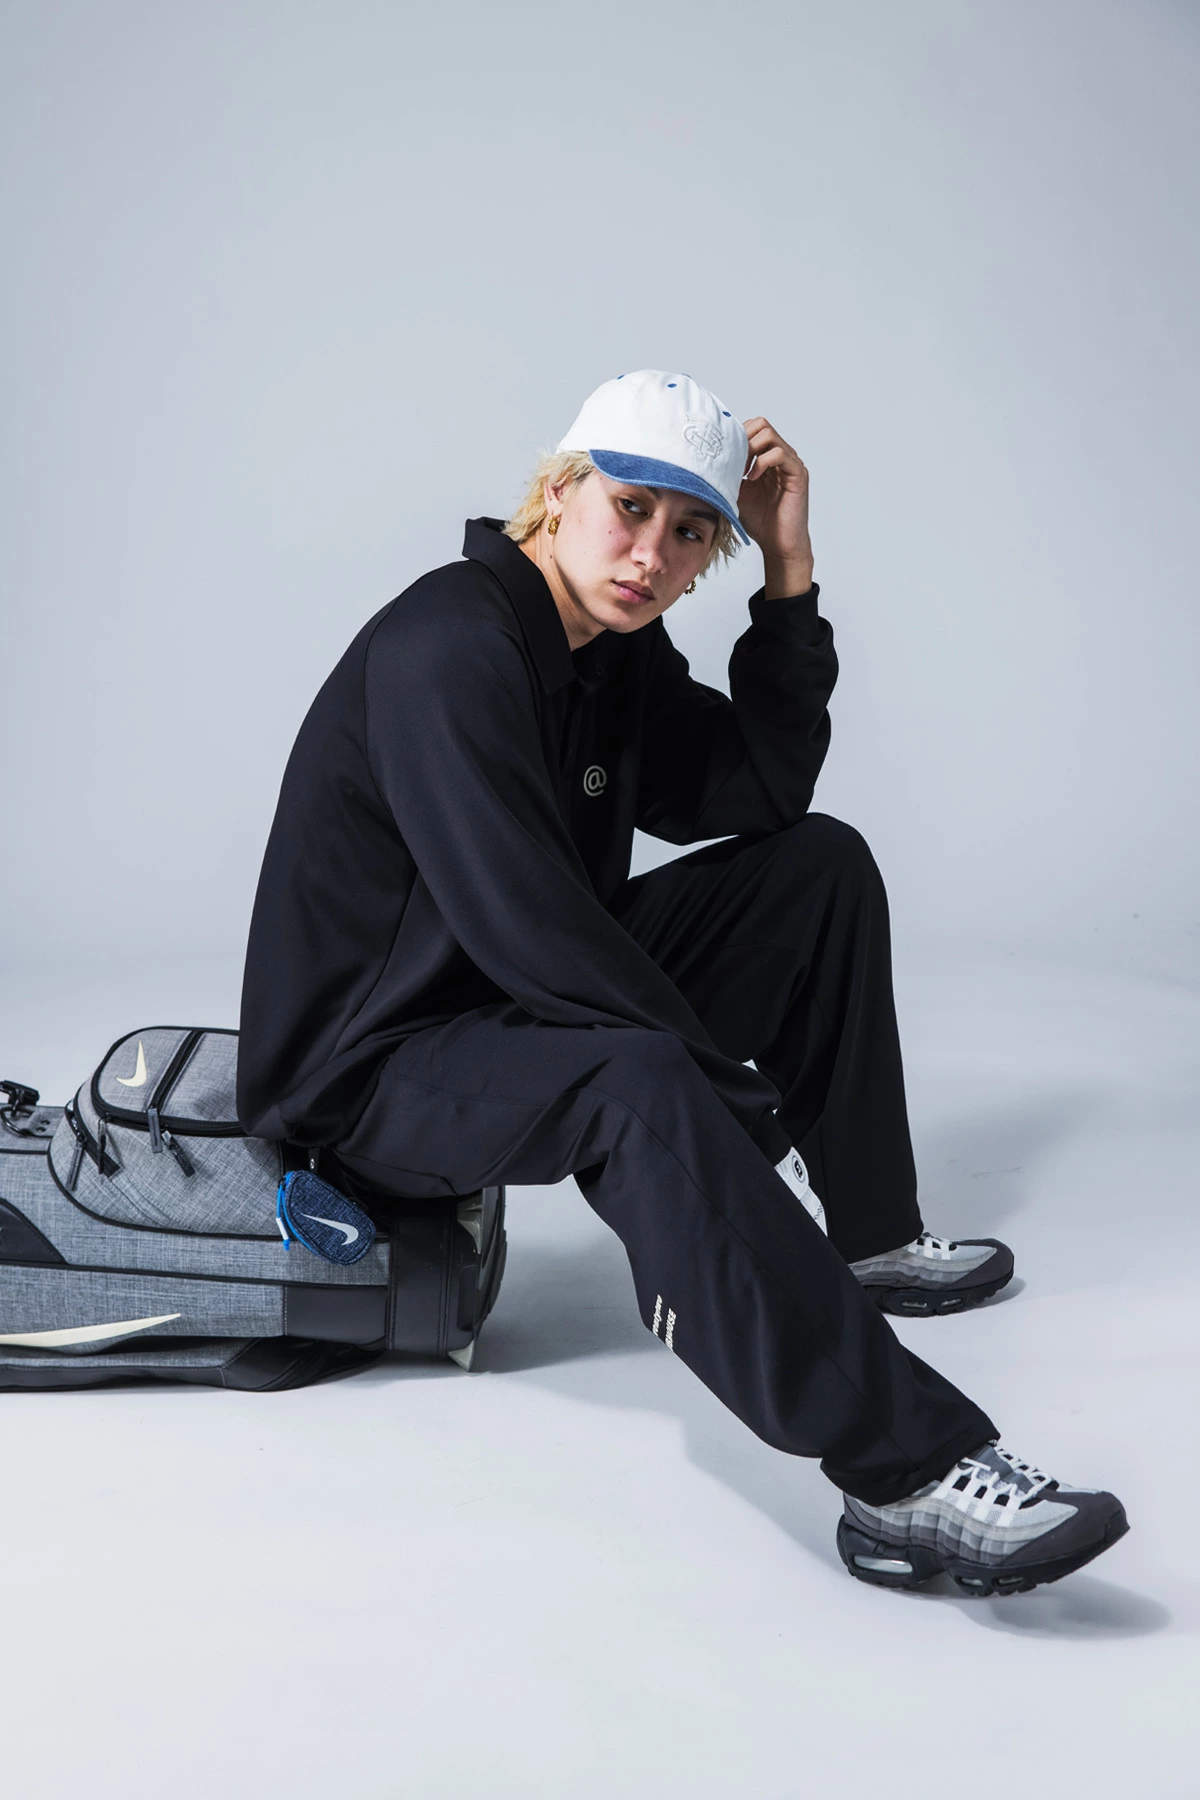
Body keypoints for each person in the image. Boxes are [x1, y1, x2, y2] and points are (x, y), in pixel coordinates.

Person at [237, 369, 1127, 1596]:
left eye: (693, 531)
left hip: (501, 998)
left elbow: (763, 791)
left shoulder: (608, 650)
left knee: (818, 870)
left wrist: (788, 573)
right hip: (374, 1075)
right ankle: (906, 1477)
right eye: (630, 508)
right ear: (558, 492)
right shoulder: (449, 648)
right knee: (637, 1082)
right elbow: (535, 930)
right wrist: (733, 1112)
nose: (653, 554)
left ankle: (869, 1242)